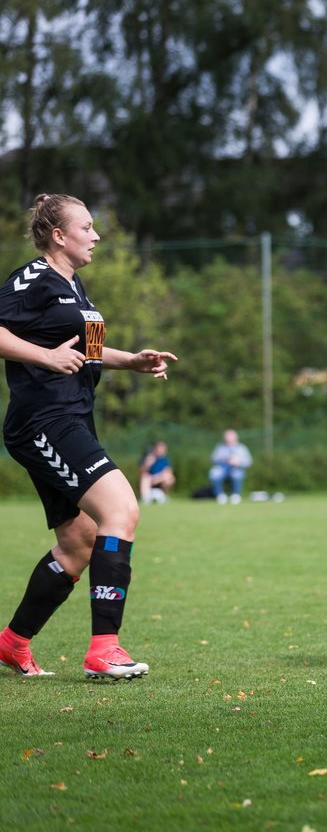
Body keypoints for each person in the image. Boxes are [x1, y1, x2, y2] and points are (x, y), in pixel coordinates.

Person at [0, 193, 175, 680]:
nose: (96, 236)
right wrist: (45, 358)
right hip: (44, 422)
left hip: (72, 420)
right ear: (58, 235)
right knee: (122, 510)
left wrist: (134, 361)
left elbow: (90, 350)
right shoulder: (32, 280)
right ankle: (104, 649)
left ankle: (12, 643)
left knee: (79, 543)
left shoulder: (77, 291)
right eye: (87, 227)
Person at [209, 428, 253, 504]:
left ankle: (236, 495)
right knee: (214, 473)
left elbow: (249, 462)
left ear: (236, 437)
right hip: (222, 468)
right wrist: (224, 459)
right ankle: (220, 495)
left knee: (237, 474)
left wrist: (238, 462)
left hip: (236, 468)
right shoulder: (220, 447)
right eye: (227, 436)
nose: (229, 438)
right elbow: (213, 458)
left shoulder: (242, 448)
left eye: (231, 436)